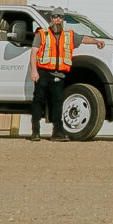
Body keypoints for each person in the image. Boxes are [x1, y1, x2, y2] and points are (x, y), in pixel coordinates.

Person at [30, 10, 77, 140]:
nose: (57, 19)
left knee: (57, 103)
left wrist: (96, 42)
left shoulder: (68, 35)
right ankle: (35, 131)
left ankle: (58, 132)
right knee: (38, 101)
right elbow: (34, 52)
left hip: (59, 75)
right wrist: (34, 71)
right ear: (51, 18)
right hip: (43, 73)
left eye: (60, 17)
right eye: (55, 17)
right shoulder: (42, 34)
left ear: (63, 19)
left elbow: (83, 39)